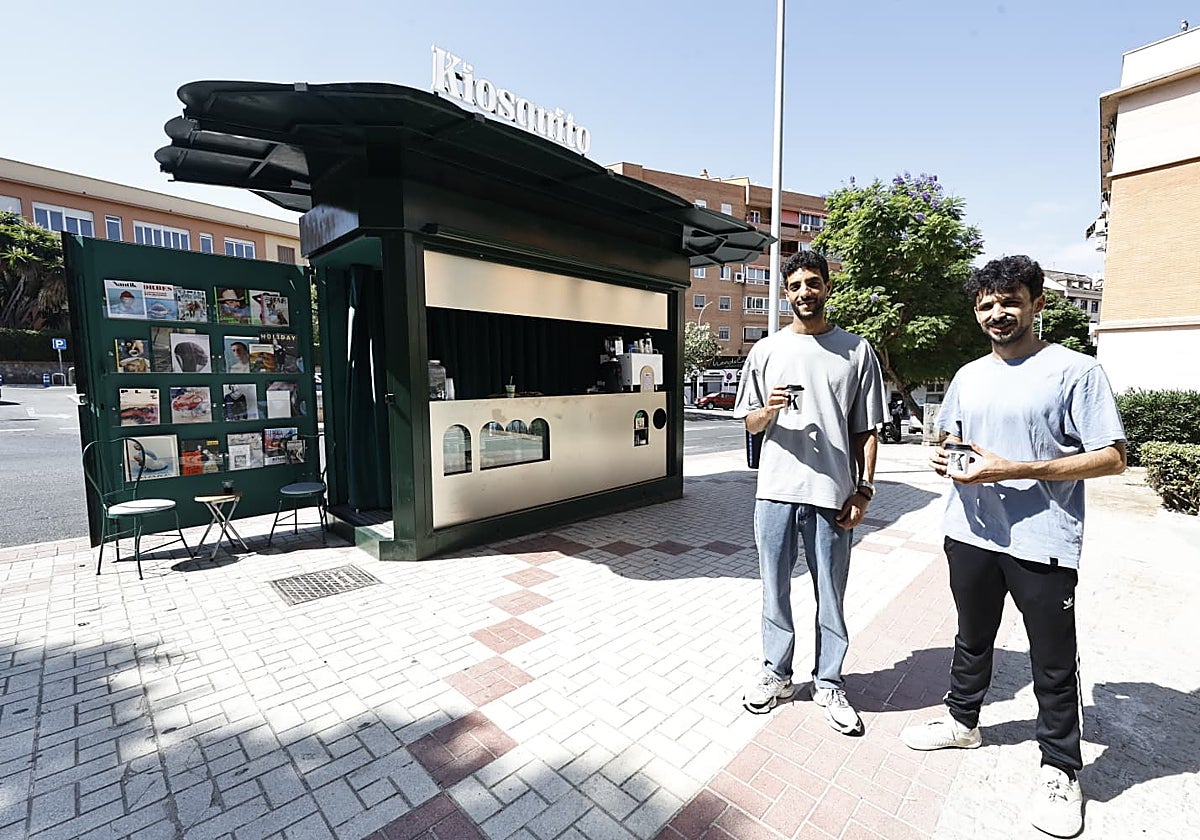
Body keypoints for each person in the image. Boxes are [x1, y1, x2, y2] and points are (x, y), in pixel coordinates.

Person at [899, 255, 1126, 838]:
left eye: (1009, 301)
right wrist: (944, 455)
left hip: (1043, 540)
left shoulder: (1076, 371)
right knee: (972, 638)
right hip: (969, 533)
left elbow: (1113, 457)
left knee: (1051, 660)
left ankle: (1060, 768)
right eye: (985, 305)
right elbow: (953, 437)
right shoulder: (969, 374)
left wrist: (1017, 469)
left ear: (1037, 303)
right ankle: (962, 721)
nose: (997, 313)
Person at [733, 250, 885, 734]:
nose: (805, 292)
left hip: (832, 495)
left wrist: (863, 490)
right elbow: (751, 423)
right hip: (774, 492)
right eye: (795, 285)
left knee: (831, 594)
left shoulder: (856, 351)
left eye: (813, 283)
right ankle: (776, 674)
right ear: (785, 292)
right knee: (773, 590)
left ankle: (829, 681)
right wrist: (768, 409)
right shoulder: (765, 351)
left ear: (827, 287)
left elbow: (866, 430)